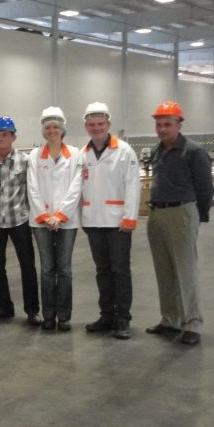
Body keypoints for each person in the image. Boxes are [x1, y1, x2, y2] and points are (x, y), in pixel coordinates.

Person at [145, 101, 213, 346]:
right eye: (159, 124)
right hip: (157, 213)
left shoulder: (194, 152)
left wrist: (198, 216)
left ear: (179, 125)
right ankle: (170, 319)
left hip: (181, 212)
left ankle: (192, 322)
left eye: (167, 124)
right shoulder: (158, 150)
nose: (162, 129)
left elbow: (205, 188)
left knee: (185, 270)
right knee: (163, 270)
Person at [79, 103, 141, 340]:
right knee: (102, 271)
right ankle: (107, 315)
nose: (96, 128)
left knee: (120, 270)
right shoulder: (82, 154)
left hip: (118, 222)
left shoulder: (124, 151)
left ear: (108, 124)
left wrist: (130, 217)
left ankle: (123, 317)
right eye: (92, 124)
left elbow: (133, 185)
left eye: (100, 124)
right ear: (86, 126)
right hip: (93, 221)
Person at [0, 117, 41, 326]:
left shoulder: (25, 161)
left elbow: (31, 189)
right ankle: (4, 307)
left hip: (19, 220)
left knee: (27, 266)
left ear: (13, 137)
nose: (0, 138)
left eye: (5, 134)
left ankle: (32, 310)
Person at [27, 107, 83, 332]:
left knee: (65, 269)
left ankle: (64, 316)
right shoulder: (34, 156)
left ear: (62, 130)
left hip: (67, 221)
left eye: (55, 127)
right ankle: (48, 315)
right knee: (47, 269)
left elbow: (76, 186)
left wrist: (60, 215)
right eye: (48, 127)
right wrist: (44, 215)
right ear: (43, 131)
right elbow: (32, 187)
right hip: (40, 221)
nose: (52, 131)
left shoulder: (76, 154)